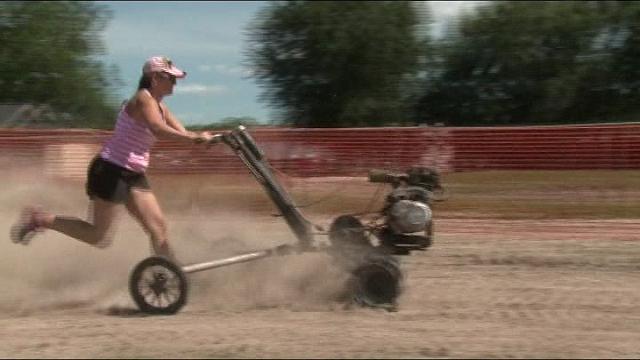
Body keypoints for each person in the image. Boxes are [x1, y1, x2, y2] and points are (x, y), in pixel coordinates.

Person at [10, 56, 215, 262]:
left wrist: (207, 139)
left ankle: (168, 274)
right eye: (171, 78)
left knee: (158, 227)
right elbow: (158, 129)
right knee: (98, 236)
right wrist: (194, 138)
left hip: (133, 174)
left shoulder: (162, 108)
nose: (174, 83)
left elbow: (184, 134)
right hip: (111, 169)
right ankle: (39, 219)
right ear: (154, 78)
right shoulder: (143, 99)